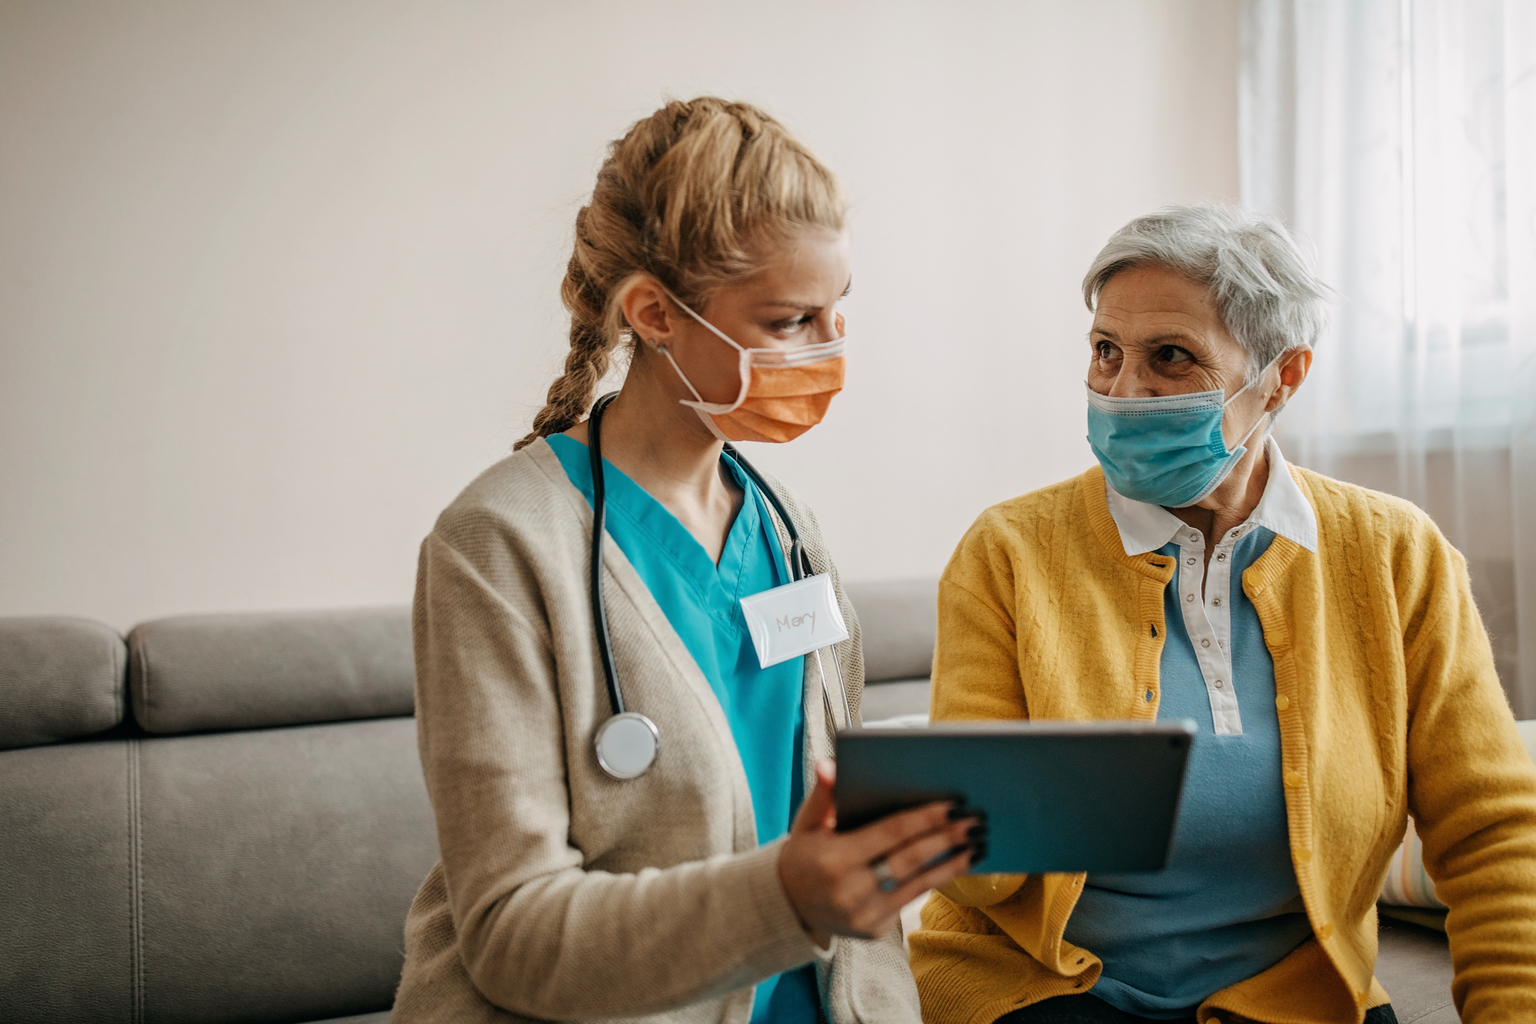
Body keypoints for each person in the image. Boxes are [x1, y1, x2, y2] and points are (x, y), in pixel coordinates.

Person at [389, 97, 980, 1024]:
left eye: (838, 313)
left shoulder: (788, 532)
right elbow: (511, 934)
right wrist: (788, 899)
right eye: (789, 321)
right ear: (655, 314)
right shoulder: (497, 547)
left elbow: (834, 843)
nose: (829, 353)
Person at [908, 204, 1536, 1024]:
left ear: (1283, 375)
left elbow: (1490, 829)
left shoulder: (1396, 555)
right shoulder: (1008, 552)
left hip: (1293, 999)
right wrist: (953, 825)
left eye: (1170, 357)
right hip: (1042, 986)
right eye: (1105, 352)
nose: (1123, 391)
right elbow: (974, 872)